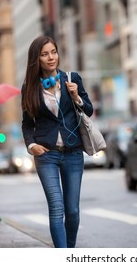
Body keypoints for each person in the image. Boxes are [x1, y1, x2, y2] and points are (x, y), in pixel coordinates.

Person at [21, 35, 93, 248]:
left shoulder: (72, 78)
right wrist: (31, 145)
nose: (51, 57)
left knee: (72, 210)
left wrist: (77, 97)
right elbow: (27, 124)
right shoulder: (29, 88)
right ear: (37, 59)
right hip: (47, 155)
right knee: (56, 208)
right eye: (44, 54)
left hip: (72, 152)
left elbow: (89, 110)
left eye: (53, 52)